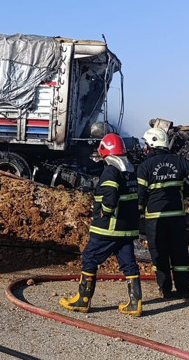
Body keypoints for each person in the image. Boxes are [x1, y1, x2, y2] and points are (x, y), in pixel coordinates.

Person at [59, 133, 142, 316]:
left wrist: (106, 210)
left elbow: (110, 196)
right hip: (127, 229)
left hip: (108, 228)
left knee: (90, 257)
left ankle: (83, 300)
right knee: (128, 263)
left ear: (105, 152)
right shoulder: (130, 171)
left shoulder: (111, 170)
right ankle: (135, 303)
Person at [137, 127, 189, 298]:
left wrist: (137, 214)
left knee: (159, 254)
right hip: (177, 218)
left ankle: (165, 289)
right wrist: (187, 189)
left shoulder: (145, 167)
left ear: (152, 144)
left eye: (146, 144)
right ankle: (183, 289)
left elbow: (140, 196)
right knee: (179, 252)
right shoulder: (179, 161)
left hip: (155, 220)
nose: (144, 148)